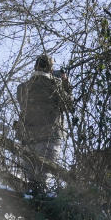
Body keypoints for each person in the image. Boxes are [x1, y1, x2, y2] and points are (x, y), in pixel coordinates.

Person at [16, 54, 72, 191]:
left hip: (27, 139)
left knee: (28, 184)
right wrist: (64, 83)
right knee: (42, 182)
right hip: (49, 138)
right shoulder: (55, 87)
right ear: (50, 69)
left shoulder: (23, 88)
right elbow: (69, 105)